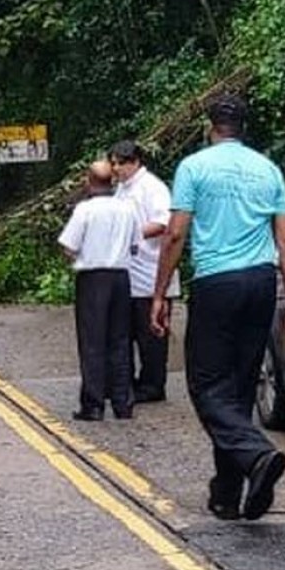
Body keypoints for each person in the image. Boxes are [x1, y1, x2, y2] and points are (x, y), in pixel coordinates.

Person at [150, 94, 285, 521]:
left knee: (206, 387)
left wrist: (159, 294)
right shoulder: (268, 169)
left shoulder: (194, 167)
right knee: (238, 389)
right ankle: (228, 494)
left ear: (210, 126)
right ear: (243, 128)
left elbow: (176, 234)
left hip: (216, 283)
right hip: (260, 282)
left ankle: (256, 454)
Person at [58, 160, 140, 421]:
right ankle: (123, 402)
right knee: (120, 340)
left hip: (93, 278)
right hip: (121, 277)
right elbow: (136, 245)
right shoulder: (127, 209)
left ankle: (93, 404)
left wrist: (77, 258)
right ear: (112, 181)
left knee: (93, 341)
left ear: (88, 181)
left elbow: (68, 246)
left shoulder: (85, 210)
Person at [109, 140, 180, 404]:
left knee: (151, 335)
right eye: (113, 163)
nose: (116, 169)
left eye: (120, 163)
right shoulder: (122, 189)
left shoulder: (152, 187)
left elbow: (164, 222)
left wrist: (132, 233)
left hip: (152, 272)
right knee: (125, 333)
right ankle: (127, 382)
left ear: (135, 162)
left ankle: (153, 385)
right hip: (128, 272)